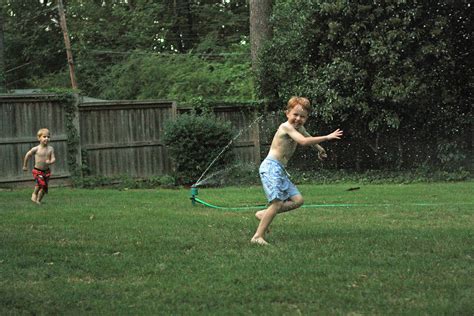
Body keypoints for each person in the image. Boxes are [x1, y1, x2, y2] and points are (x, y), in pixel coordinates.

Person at [251, 97, 343, 245]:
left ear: (306, 118)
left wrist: (319, 149)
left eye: (302, 116)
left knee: (298, 200)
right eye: (295, 114)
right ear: (287, 113)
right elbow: (303, 141)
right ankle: (257, 237)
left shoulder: (299, 128)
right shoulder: (286, 127)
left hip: (280, 170)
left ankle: (264, 214)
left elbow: (307, 136)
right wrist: (327, 137)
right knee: (277, 202)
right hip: (270, 168)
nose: (298, 118)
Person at [23, 128, 56, 204]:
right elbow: (27, 155)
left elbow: (53, 158)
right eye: (44, 137)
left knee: (44, 187)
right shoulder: (36, 149)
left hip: (46, 172)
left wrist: (50, 161)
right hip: (37, 171)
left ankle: (38, 200)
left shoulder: (50, 149)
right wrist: (25, 165)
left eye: (48, 137)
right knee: (41, 184)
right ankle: (34, 194)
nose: (47, 138)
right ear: (39, 138)